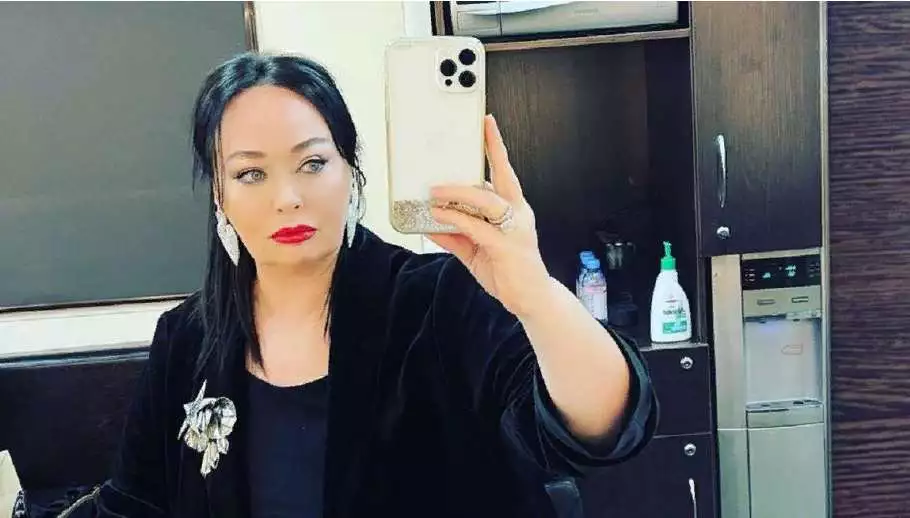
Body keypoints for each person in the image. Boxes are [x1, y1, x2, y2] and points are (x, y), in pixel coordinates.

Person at [89, 52, 657, 518]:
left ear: (351, 172)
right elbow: (132, 504)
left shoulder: (437, 299)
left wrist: (536, 296)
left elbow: (604, 428)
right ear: (220, 196)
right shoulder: (186, 340)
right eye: (250, 173)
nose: (287, 197)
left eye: (312, 163)